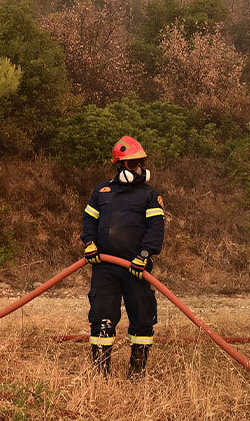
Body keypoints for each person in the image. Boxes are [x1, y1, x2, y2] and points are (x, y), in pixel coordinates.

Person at [81, 135, 166, 379]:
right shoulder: (102, 192)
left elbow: (156, 229)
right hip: (104, 267)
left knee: (142, 318)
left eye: (141, 162)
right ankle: (101, 374)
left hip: (137, 268)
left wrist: (145, 254)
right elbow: (89, 220)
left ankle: (137, 373)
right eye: (132, 164)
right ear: (119, 165)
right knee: (102, 318)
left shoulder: (150, 196)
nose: (138, 168)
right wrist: (89, 243)